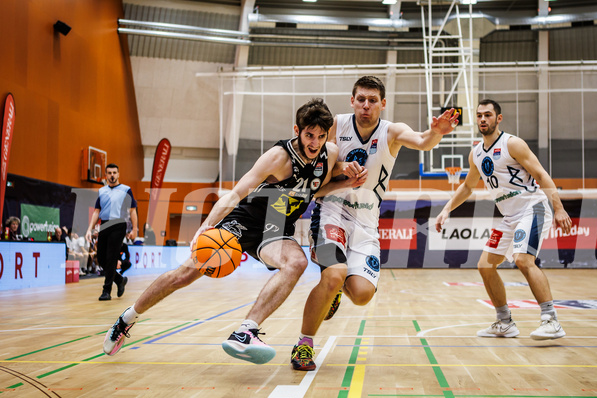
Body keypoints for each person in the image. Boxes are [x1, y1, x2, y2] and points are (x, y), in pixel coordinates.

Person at [102, 99, 367, 364]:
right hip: (245, 220)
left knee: (296, 262)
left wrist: (344, 183)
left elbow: (313, 190)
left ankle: (245, 331)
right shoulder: (278, 157)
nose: (314, 143)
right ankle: (127, 318)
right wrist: (206, 226)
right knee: (183, 276)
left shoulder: (329, 153)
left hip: (276, 226)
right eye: (309, 135)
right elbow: (237, 193)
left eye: (321, 136)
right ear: (296, 130)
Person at [292, 76, 460, 371]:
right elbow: (317, 164)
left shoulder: (392, 131)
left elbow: (422, 141)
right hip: (331, 211)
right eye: (361, 99)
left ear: (383, 103)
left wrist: (437, 133)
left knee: (361, 294)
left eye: (372, 100)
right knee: (332, 276)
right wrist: (342, 168)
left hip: (366, 221)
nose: (366, 106)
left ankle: (335, 293)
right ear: (352, 101)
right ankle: (303, 346)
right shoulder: (335, 125)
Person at [435, 99, 572, 341]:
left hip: (534, 207)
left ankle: (551, 320)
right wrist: (446, 209)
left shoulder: (513, 144)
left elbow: (541, 173)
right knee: (485, 266)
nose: (483, 119)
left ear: (498, 118)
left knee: (523, 260)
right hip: (510, 216)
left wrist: (558, 207)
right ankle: (504, 321)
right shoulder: (476, 153)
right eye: (479, 115)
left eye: (488, 115)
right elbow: (467, 187)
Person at [86, 164, 138, 301]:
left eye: (114, 172)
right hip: (104, 225)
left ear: (118, 174)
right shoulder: (102, 191)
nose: (112, 175)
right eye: (109, 173)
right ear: (106, 175)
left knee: (111, 257)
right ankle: (119, 279)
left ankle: (106, 290)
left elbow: (133, 210)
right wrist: (89, 228)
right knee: (101, 257)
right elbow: (96, 211)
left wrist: (135, 229)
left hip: (119, 224)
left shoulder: (126, 190)